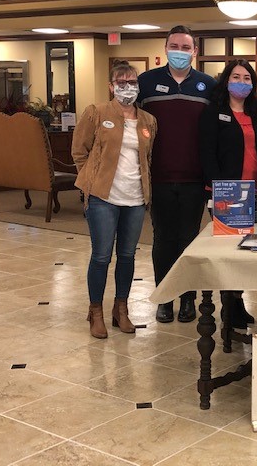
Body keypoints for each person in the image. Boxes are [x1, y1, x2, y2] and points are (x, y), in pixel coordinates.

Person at [72, 60, 157, 339]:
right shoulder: (96, 113)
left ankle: (121, 309)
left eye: (132, 82)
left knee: (127, 256)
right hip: (103, 197)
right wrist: (90, 180)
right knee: (101, 255)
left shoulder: (148, 120)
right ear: (111, 86)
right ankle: (95, 311)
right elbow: (79, 151)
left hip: (135, 198)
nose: (127, 87)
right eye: (121, 82)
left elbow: (148, 158)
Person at [137, 25, 216, 324]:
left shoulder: (208, 85)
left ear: (194, 51)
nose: (179, 52)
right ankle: (164, 297)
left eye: (185, 47)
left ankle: (187, 299)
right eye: (174, 46)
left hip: (195, 179)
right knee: (163, 239)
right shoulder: (146, 83)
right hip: (158, 177)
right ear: (165, 48)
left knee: (188, 239)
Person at [199, 59, 257, 329]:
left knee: (247, 252)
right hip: (227, 193)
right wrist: (219, 188)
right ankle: (229, 307)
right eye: (236, 77)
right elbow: (206, 153)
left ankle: (238, 302)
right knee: (229, 253)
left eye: (247, 78)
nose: (241, 82)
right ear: (226, 80)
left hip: (255, 191)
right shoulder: (213, 112)